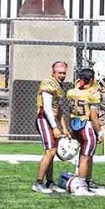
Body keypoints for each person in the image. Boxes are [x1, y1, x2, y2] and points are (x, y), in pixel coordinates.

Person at [34, 60, 68, 193]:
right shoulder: (48, 83)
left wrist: (64, 127)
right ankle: (38, 182)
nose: (62, 75)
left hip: (50, 119)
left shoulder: (58, 85)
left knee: (52, 152)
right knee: (50, 151)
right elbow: (47, 108)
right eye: (60, 73)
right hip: (44, 118)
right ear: (53, 73)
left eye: (64, 73)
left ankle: (49, 182)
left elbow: (58, 109)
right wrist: (54, 127)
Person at [64, 68, 102, 190]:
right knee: (86, 156)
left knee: (85, 155)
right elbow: (94, 117)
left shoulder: (71, 92)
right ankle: (80, 184)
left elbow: (70, 111)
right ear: (91, 79)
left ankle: (87, 180)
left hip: (75, 125)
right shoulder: (92, 94)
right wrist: (99, 132)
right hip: (87, 126)